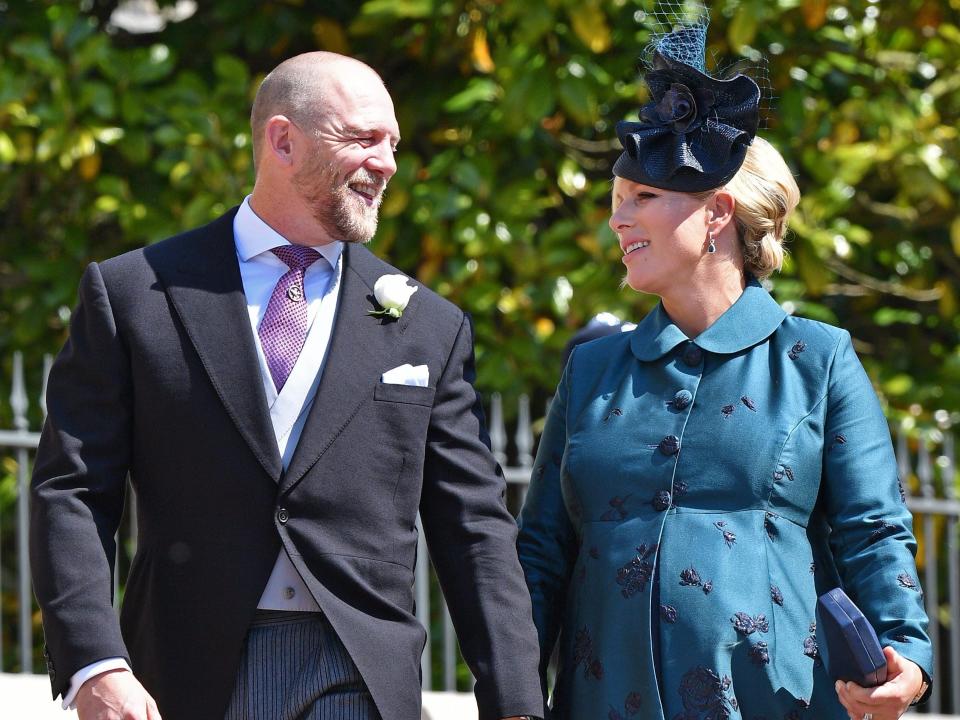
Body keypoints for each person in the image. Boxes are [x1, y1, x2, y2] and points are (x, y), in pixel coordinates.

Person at [30, 52, 542, 720]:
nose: (386, 162)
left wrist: (516, 704)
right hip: (183, 675)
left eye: (392, 143)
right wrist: (96, 664)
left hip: (358, 674)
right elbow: (70, 489)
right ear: (283, 141)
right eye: (362, 138)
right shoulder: (134, 295)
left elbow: (473, 527)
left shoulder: (429, 327)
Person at [516, 20, 933, 720]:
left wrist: (905, 655)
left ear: (717, 213)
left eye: (642, 198)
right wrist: (511, 693)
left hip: (776, 701)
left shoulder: (818, 359)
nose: (618, 221)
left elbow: (873, 529)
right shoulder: (590, 369)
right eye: (617, 202)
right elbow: (542, 552)